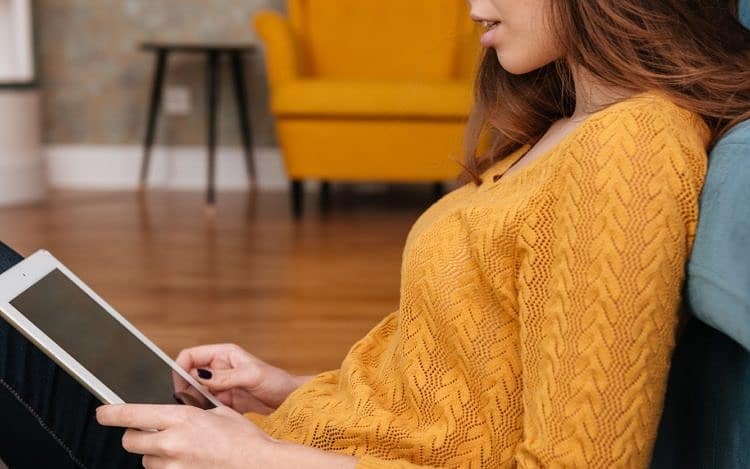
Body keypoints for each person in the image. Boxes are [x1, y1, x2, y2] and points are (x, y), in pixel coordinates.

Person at [95, 0, 750, 467]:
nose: (471, 9)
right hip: (292, 435)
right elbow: (468, 392)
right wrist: (287, 390)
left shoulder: (632, 147)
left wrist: (259, 458)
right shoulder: (556, 123)